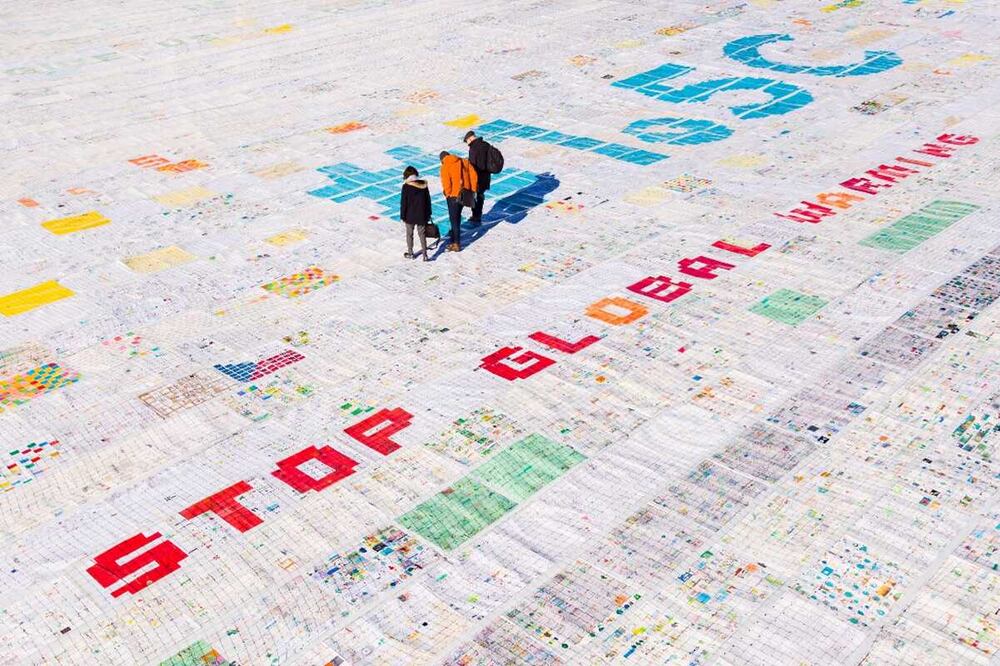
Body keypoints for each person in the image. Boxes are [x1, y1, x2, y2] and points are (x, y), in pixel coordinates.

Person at [439, 151, 478, 252]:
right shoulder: (463, 161)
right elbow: (474, 175)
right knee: (458, 217)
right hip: (465, 193)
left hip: (453, 196)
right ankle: (455, 238)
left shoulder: (445, 166)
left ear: (442, 160)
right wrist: (472, 189)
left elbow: (446, 183)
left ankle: (456, 243)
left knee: (454, 220)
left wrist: (448, 194)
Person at [399, 165, 432, 260]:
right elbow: (428, 201)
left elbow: (403, 202)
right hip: (421, 214)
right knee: (422, 234)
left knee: (409, 234)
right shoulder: (423, 185)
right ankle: (425, 255)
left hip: (409, 215)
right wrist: (429, 213)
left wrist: (402, 215)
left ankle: (410, 253)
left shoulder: (406, 186)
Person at [465, 130, 491, 224]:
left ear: (470, 138)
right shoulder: (486, 145)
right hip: (486, 176)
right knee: (480, 196)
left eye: (467, 141)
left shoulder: (474, 148)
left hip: (477, 177)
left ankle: (475, 215)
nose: (467, 144)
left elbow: (473, 165)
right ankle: (477, 215)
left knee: (475, 196)